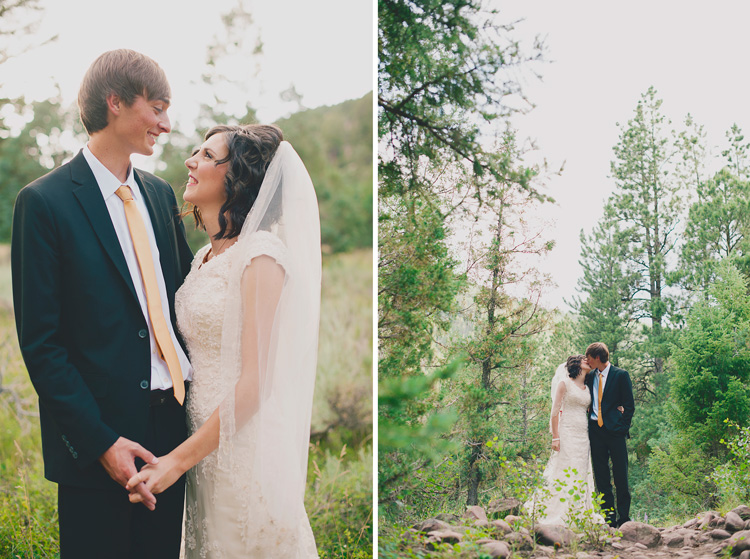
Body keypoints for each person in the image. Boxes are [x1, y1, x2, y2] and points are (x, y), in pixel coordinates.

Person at [11, 49, 194, 559]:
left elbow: (183, 302)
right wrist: (102, 444)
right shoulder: (43, 203)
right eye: (156, 107)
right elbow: (42, 345)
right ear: (115, 103)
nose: (165, 122)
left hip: (172, 431)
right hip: (98, 439)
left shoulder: (160, 196)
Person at [126, 124, 322, 558]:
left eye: (206, 155)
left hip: (243, 450)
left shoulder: (261, 255)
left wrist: (174, 462)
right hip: (203, 448)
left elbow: (255, 384)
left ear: (238, 177)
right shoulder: (204, 257)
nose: (190, 162)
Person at [524, 355, 602, 526]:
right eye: (583, 359)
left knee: (581, 472)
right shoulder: (564, 383)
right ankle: (555, 511)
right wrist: (556, 437)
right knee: (565, 470)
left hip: (583, 435)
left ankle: (579, 513)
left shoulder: (587, 386)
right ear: (576, 364)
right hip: (567, 432)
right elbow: (554, 411)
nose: (587, 360)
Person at [585, 342, 635, 527]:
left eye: (588, 357)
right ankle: (609, 519)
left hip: (615, 433)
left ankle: (624, 518)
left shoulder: (621, 375)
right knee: (602, 477)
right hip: (595, 432)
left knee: (621, 474)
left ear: (597, 357)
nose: (587, 361)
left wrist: (622, 428)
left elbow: (629, 405)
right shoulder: (589, 377)